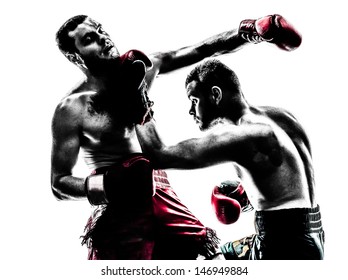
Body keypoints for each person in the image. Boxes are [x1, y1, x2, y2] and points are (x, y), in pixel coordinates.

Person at [51, 14, 302, 260]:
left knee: (211, 264)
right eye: (90, 39)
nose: (103, 38)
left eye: (101, 30)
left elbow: (203, 49)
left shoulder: (141, 70)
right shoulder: (72, 108)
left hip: (166, 204)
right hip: (121, 218)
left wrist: (251, 32)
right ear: (76, 56)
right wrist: (106, 185)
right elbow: (59, 184)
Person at [136, 59, 324, 260]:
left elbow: (159, 155)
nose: (191, 111)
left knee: (200, 259)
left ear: (215, 95)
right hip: (312, 236)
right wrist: (246, 197)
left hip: (283, 245)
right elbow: (294, 190)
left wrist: (136, 98)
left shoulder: (241, 135)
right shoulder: (283, 117)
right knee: (218, 256)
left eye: (194, 101)